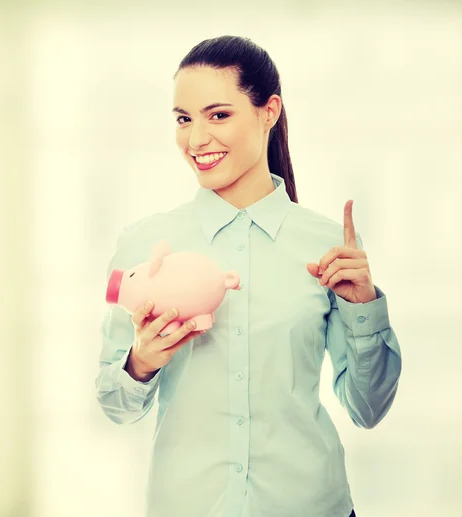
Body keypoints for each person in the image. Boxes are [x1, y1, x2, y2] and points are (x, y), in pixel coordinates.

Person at [95, 35, 402, 517]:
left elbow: (368, 408)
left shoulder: (329, 247)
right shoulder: (143, 245)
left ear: (269, 111)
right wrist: (141, 362)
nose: (196, 140)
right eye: (183, 119)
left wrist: (364, 308)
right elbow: (115, 404)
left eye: (218, 115)